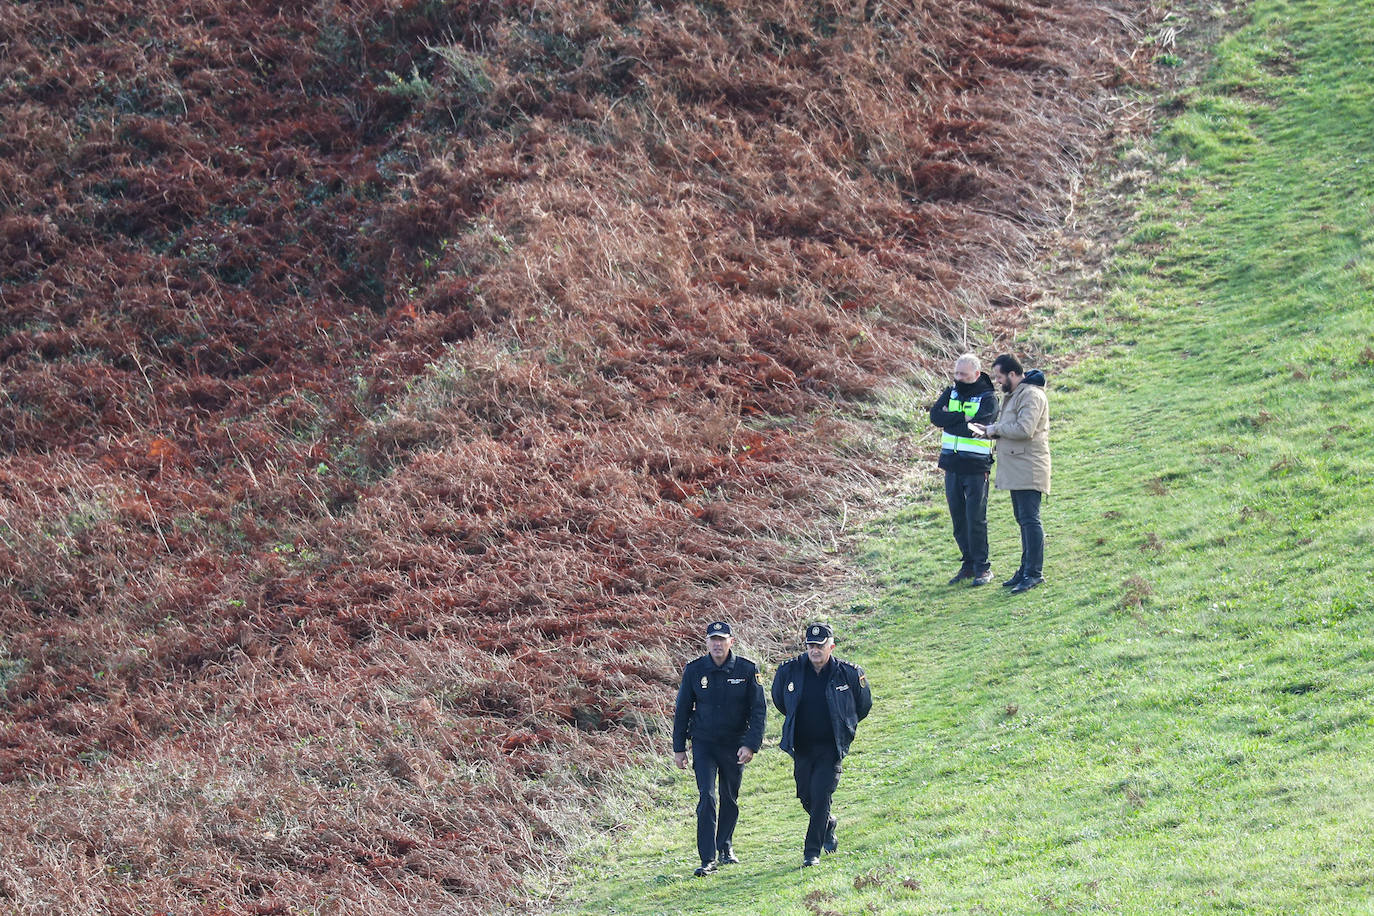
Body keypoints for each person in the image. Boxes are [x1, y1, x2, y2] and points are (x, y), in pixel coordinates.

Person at [770, 623, 872, 868]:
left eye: (820, 646)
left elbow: (863, 705)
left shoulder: (848, 673)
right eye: (811, 646)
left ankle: (811, 852)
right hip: (802, 745)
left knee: (821, 795)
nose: (815, 650)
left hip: (831, 746)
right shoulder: (789, 671)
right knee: (806, 794)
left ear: (831, 647)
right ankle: (828, 824)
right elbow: (780, 701)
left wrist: (844, 726)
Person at [672, 620, 767, 877]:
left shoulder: (747, 670)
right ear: (706, 642)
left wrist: (751, 745)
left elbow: (758, 710)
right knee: (707, 797)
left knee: (729, 797)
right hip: (703, 743)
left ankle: (725, 846)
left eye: (722, 639)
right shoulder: (694, 671)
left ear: (731, 642)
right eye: (713, 639)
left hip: (734, 744)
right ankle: (707, 859)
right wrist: (679, 748)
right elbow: (682, 710)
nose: (717, 644)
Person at [969, 353, 1050, 594]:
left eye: (1000, 376)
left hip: (1028, 467)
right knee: (1023, 520)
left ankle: (1034, 573)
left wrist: (993, 429)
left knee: (1029, 520)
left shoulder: (1031, 395)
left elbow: (1024, 429)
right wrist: (990, 430)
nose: (997, 381)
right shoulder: (1017, 395)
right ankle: (1026, 569)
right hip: (1020, 466)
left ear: (1013, 374)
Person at [928, 352, 999, 586]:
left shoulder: (988, 397)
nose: (958, 378)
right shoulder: (951, 391)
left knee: (975, 518)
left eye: (963, 374)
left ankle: (983, 568)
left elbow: (979, 427)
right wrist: (962, 417)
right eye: (956, 373)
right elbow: (936, 417)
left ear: (976, 374)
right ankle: (968, 565)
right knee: (958, 519)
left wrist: (953, 420)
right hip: (952, 465)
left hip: (977, 466)